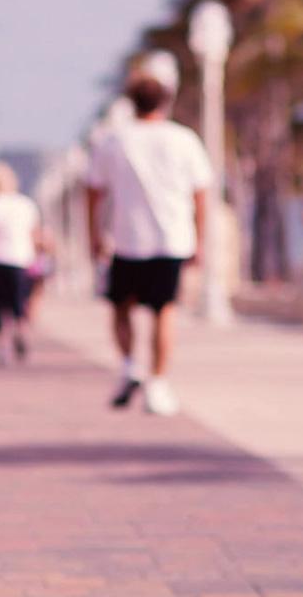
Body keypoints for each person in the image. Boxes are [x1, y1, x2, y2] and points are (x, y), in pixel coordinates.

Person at [85, 56, 212, 416]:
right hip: (171, 239)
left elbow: (93, 191)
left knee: (120, 309)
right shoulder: (184, 140)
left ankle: (129, 365)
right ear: (166, 100)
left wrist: (95, 234)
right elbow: (201, 194)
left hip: (126, 239)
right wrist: (199, 240)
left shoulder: (113, 140)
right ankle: (157, 383)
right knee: (163, 311)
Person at [0, 161, 40, 365]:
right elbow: (35, 235)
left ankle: (0, 347)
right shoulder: (26, 204)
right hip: (22, 258)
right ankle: (22, 331)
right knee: (19, 303)